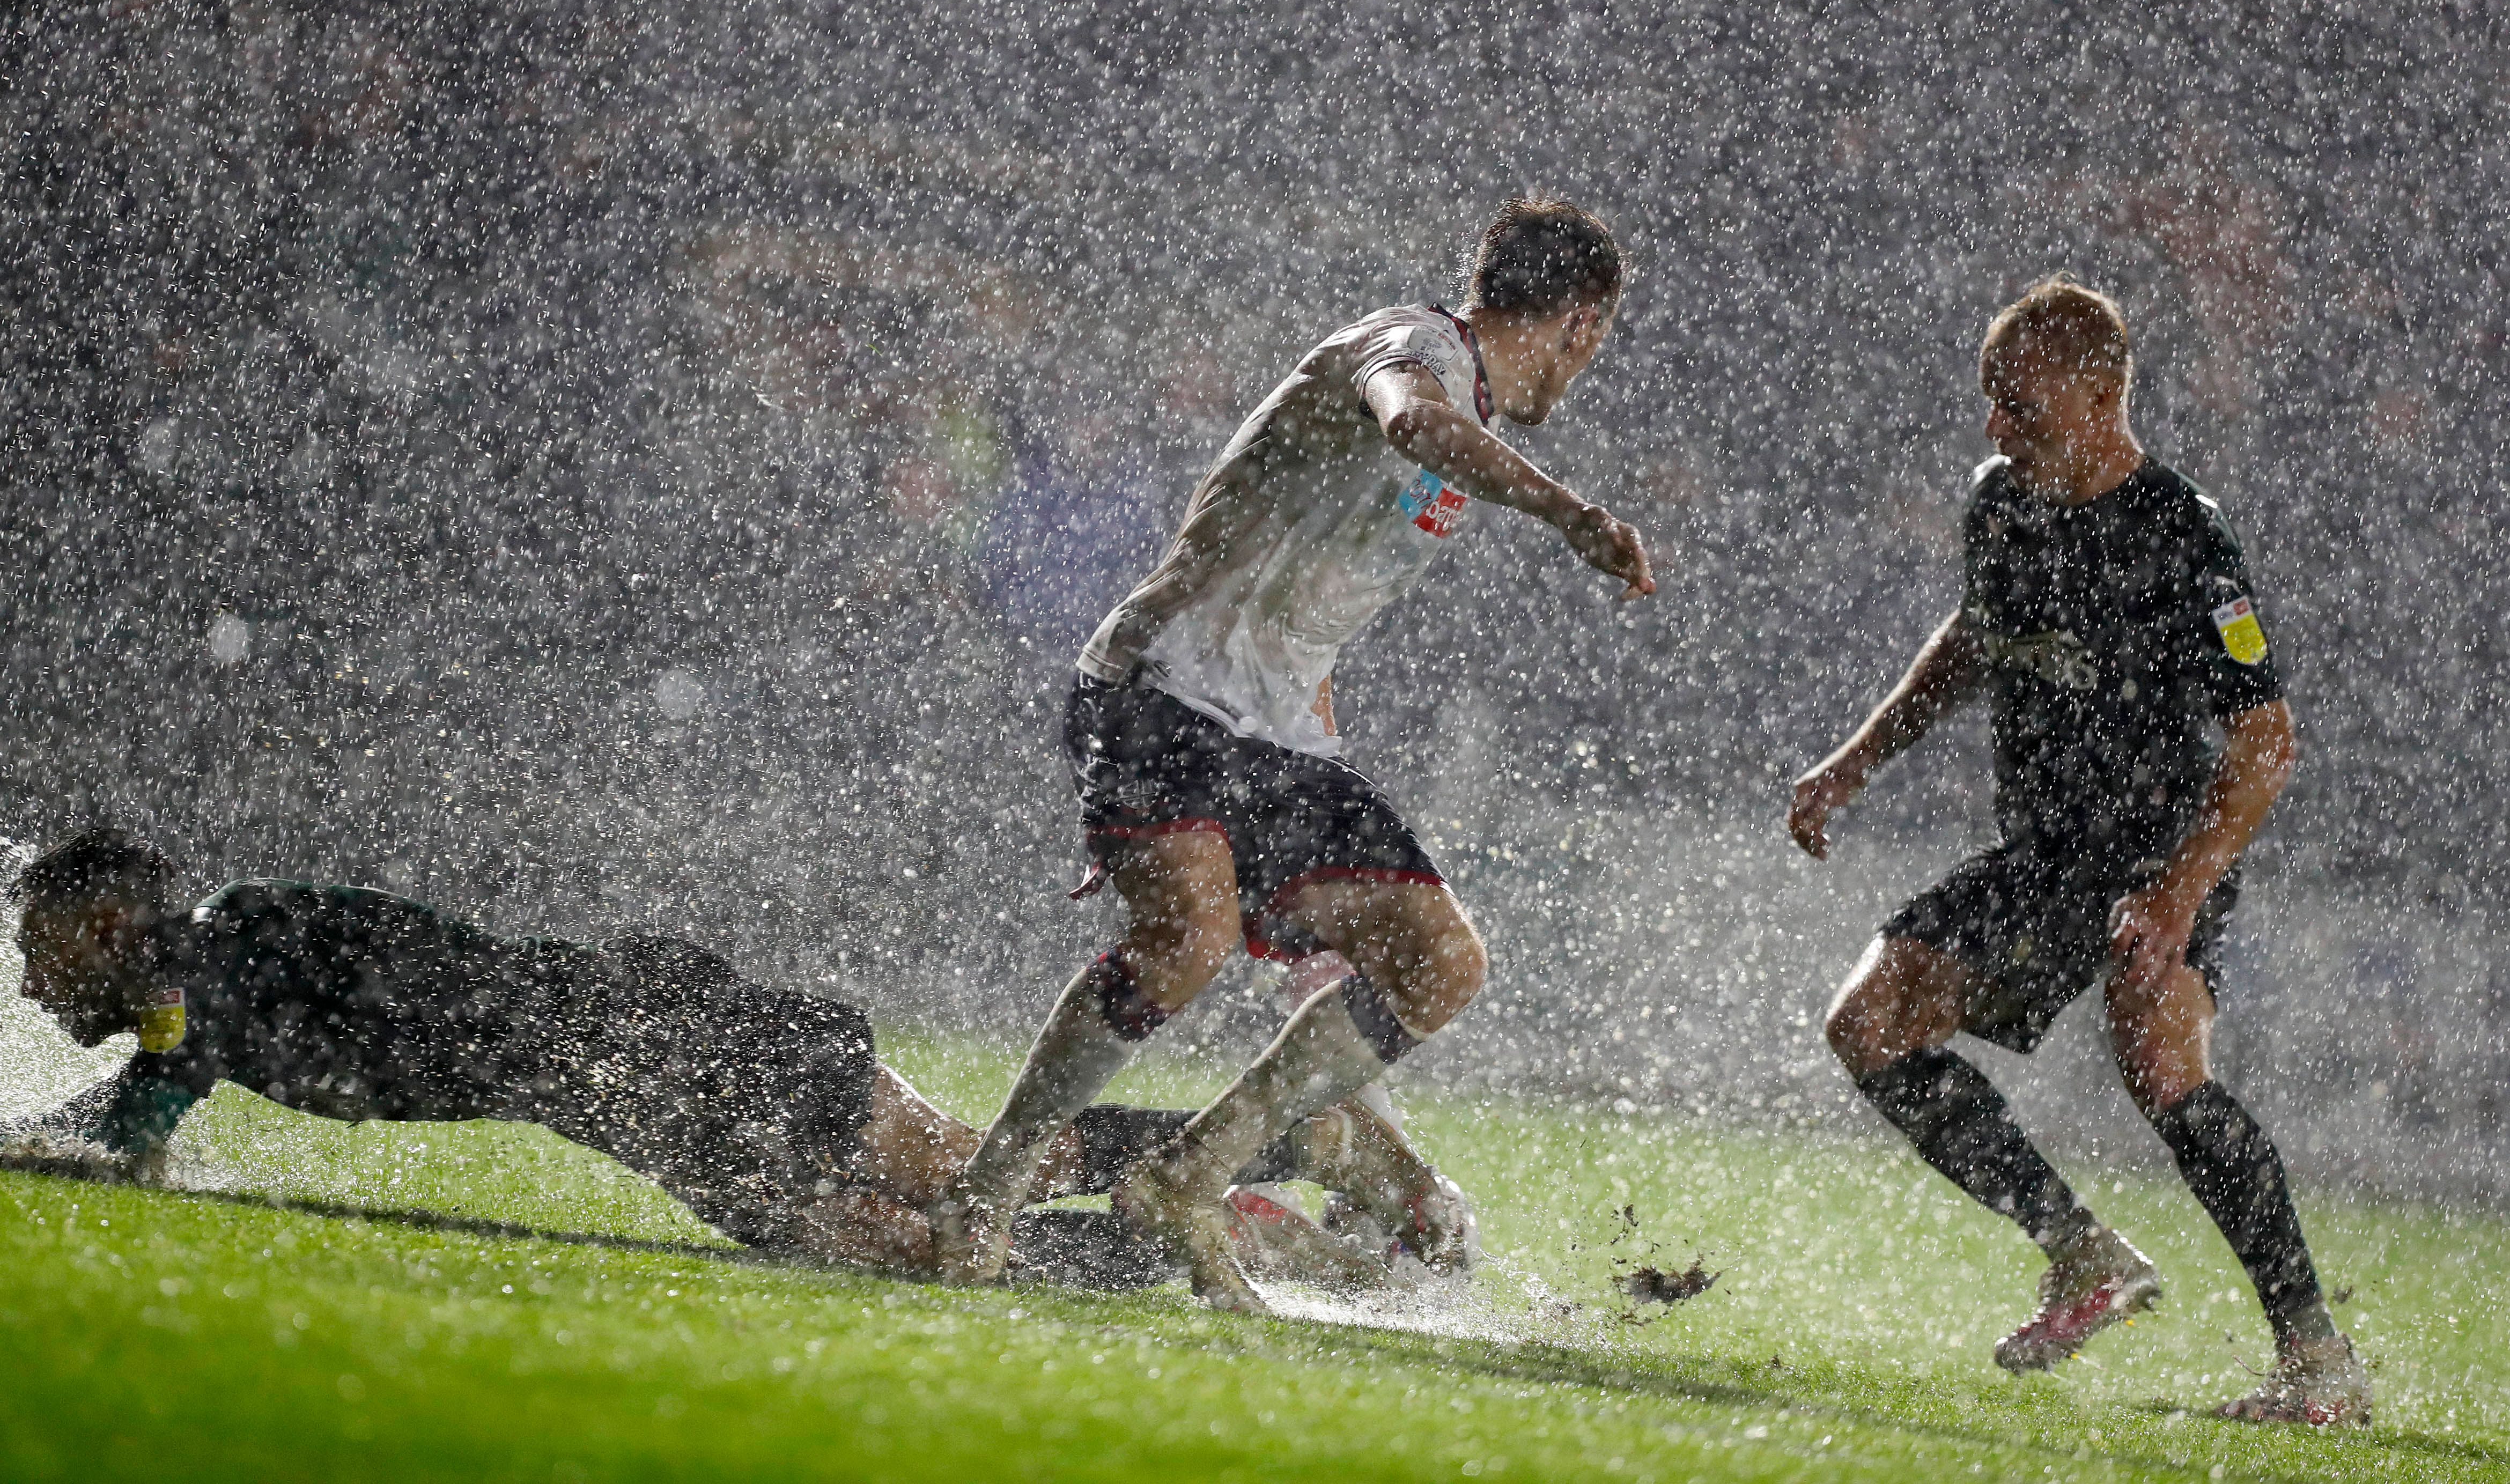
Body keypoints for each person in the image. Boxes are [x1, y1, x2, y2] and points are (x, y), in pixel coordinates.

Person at [929, 196, 1653, 1313]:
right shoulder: (1414, 349)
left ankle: (1191, 1173)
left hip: (1273, 731)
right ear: (1582, 327)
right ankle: (990, 1185)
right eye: (1591, 346)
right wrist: (1569, 513)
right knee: (1190, 940)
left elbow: (1318, 584)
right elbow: (1409, 420)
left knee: (1442, 961)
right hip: (1161, 681)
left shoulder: (1464, 415)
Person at [3, 828, 1454, 1290]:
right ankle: (1247, 1225)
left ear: (111, 916)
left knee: (973, 1181)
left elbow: (149, 1105)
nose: (30, 976)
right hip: (628, 1094)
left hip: (656, 1038)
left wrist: (47, 1139)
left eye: (42, 948)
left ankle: (1300, 1146)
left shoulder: (215, 942)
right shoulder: (200, 979)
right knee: (917, 1249)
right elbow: (148, 1088)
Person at [1786, 277, 2367, 1424]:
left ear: (2103, 398)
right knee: (1868, 1022)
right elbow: (1971, 639)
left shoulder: (2182, 533)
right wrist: (1855, 761)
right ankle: (2081, 1250)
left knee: (2163, 1071)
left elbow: (2266, 735)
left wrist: (2179, 890)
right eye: (1990, 404)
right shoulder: (2002, 501)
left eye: (2023, 407)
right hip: (2047, 851)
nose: (1998, 429)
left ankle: (2317, 1361)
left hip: (2156, 848)